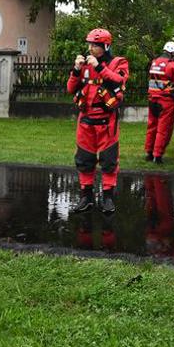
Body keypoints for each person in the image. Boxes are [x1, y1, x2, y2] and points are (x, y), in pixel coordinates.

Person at [68, 27, 129, 214]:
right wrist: (76, 70)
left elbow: (118, 81)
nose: (90, 48)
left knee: (109, 160)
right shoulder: (85, 64)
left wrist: (99, 67)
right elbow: (71, 89)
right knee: (84, 159)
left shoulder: (118, 62)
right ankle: (86, 196)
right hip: (86, 119)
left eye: (94, 45)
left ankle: (108, 198)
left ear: (105, 46)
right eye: (89, 44)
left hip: (106, 121)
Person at [144, 40, 174, 164]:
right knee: (163, 129)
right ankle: (158, 156)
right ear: (172, 53)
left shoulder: (154, 63)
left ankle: (149, 153)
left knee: (152, 126)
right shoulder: (173, 66)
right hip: (165, 101)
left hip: (152, 99)